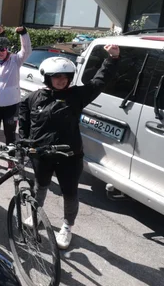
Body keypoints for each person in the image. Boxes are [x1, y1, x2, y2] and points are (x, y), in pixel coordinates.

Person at [19, 45, 120, 250]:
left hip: (69, 156)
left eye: (65, 76)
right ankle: (36, 214)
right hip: (41, 155)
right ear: (46, 77)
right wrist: (23, 147)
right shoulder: (31, 99)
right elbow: (24, 128)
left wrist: (112, 59)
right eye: (56, 76)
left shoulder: (76, 96)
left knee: (69, 193)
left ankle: (67, 226)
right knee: (40, 187)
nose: (62, 80)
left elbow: (99, 82)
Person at [0, 27, 32, 168]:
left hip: (11, 105)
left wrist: (23, 34)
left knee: (10, 135)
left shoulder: (15, 60)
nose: (0, 52)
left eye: (2, 49)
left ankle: (11, 161)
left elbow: (27, 50)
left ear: (7, 49)